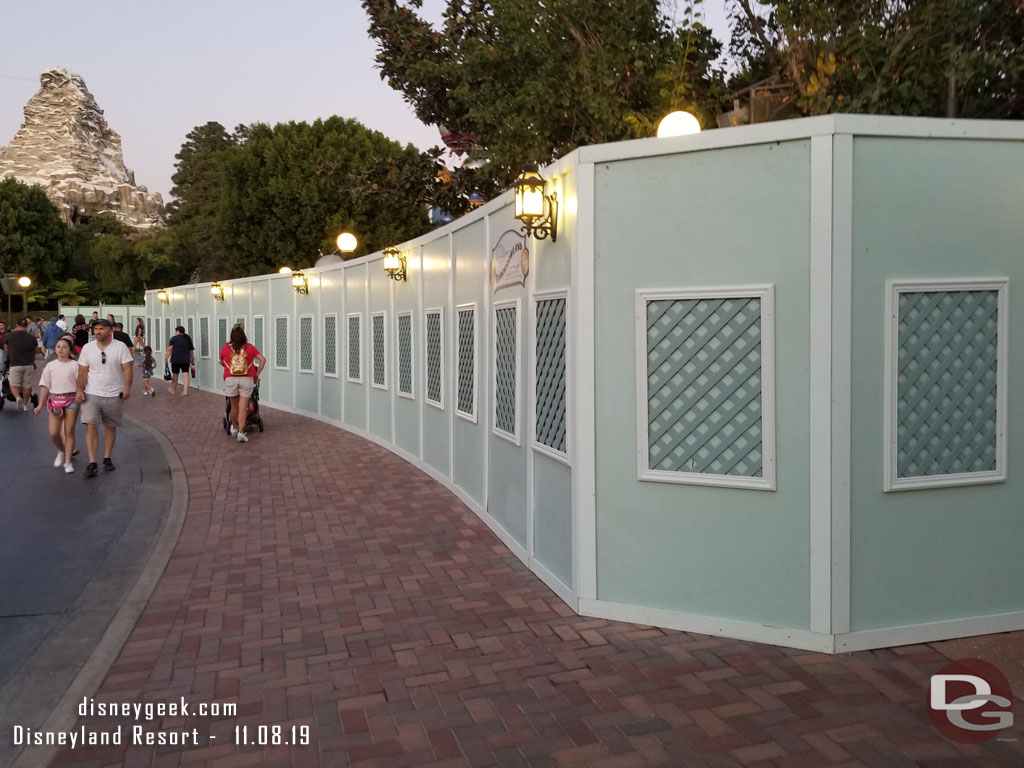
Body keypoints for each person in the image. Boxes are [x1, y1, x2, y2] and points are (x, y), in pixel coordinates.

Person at [75, 319, 133, 478]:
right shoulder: (87, 348)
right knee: (91, 426)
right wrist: (79, 389)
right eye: (96, 329)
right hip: (92, 392)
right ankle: (92, 462)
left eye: (101, 329)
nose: (98, 332)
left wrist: (127, 387)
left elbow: (128, 368)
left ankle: (107, 457)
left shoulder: (119, 347)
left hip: (114, 392)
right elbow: (82, 371)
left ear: (110, 330)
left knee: (110, 426)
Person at [34, 337, 80, 473]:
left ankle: (68, 462)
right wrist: (40, 403)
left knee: (69, 431)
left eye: (64, 347)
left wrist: (80, 394)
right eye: (58, 346)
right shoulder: (50, 365)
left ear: (69, 350)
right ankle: (61, 450)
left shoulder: (75, 365)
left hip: (71, 399)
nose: (61, 349)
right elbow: (44, 386)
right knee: (54, 432)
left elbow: (80, 383)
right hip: (55, 400)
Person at [219, 325, 265, 443]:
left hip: (230, 379)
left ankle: (234, 428)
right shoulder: (249, 347)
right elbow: (263, 359)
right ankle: (241, 433)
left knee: (234, 407)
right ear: (244, 336)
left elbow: (221, 361)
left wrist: (228, 368)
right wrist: (257, 373)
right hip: (247, 379)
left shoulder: (225, 348)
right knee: (243, 407)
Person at [4, 317, 38, 412]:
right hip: (29, 364)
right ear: (26, 326)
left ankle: (18, 397)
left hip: (15, 364)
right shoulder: (31, 337)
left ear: (17, 325)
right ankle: (25, 405)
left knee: (14, 384)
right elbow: (35, 350)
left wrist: (9, 355)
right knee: (27, 386)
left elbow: (6, 348)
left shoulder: (10, 336)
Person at [164, 325, 195, 395]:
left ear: (178, 331)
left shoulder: (174, 338)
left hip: (175, 359)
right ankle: (185, 391)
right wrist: (193, 360)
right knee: (185, 374)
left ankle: (173, 390)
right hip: (186, 359)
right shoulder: (188, 338)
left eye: (176, 331)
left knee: (175, 375)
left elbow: (169, 350)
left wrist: (166, 358)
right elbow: (191, 351)